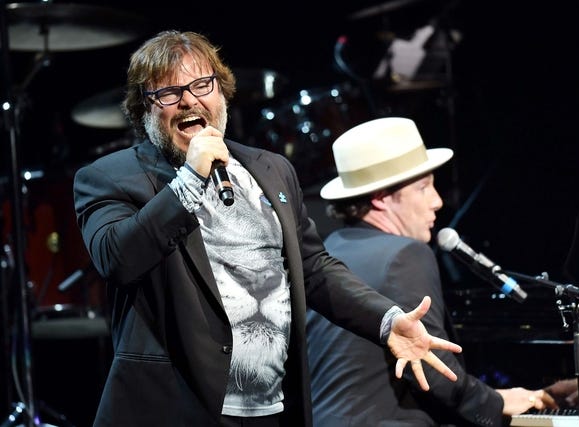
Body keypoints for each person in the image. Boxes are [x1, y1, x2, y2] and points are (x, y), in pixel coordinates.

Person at [71, 30, 464, 427]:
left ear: (221, 93)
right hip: (175, 410)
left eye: (202, 85)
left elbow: (314, 268)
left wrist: (385, 320)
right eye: (169, 92)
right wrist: (190, 177)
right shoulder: (110, 177)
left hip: (272, 410)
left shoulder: (271, 169)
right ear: (145, 108)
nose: (189, 99)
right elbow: (118, 258)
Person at [306, 117, 559, 426]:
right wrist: (497, 402)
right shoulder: (405, 254)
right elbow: (428, 366)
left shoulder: (331, 249)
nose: (437, 201)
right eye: (423, 188)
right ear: (381, 197)